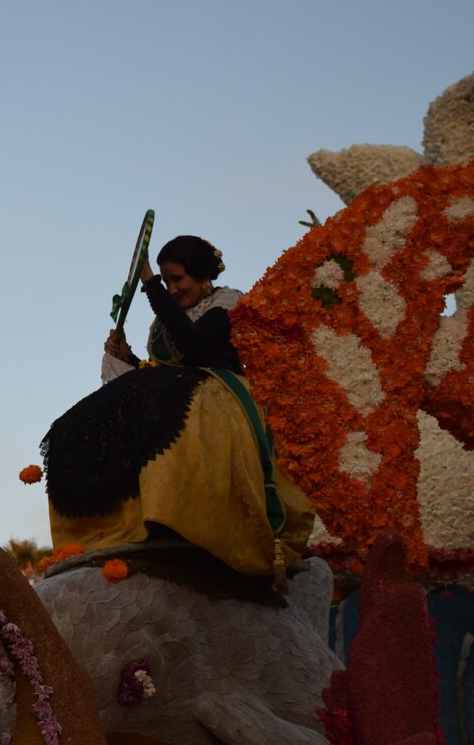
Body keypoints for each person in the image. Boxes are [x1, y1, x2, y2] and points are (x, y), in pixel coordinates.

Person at [41, 235, 315, 580]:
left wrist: (151, 285)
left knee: (174, 404)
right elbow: (159, 373)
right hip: (176, 391)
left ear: (202, 276)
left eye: (177, 279)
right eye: (166, 281)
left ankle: (178, 518)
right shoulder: (163, 322)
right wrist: (127, 358)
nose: (171, 289)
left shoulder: (228, 301)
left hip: (218, 394)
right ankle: (110, 527)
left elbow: (195, 346)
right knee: (84, 418)